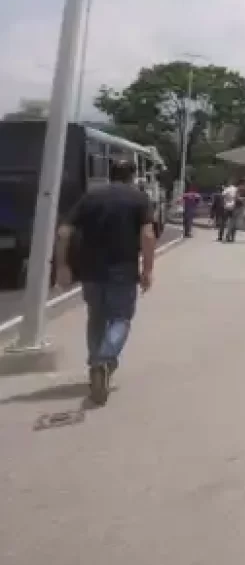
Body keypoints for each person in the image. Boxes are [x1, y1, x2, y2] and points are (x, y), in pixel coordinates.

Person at [54, 159, 157, 406]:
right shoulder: (138, 199)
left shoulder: (90, 197)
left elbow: (64, 231)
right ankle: (104, 359)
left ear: (110, 174)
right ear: (132, 176)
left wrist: (62, 265)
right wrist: (148, 270)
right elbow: (147, 235)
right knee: (121, 318)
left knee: (96, 317)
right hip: (123, 269)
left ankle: (96, 364)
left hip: (90, 270)